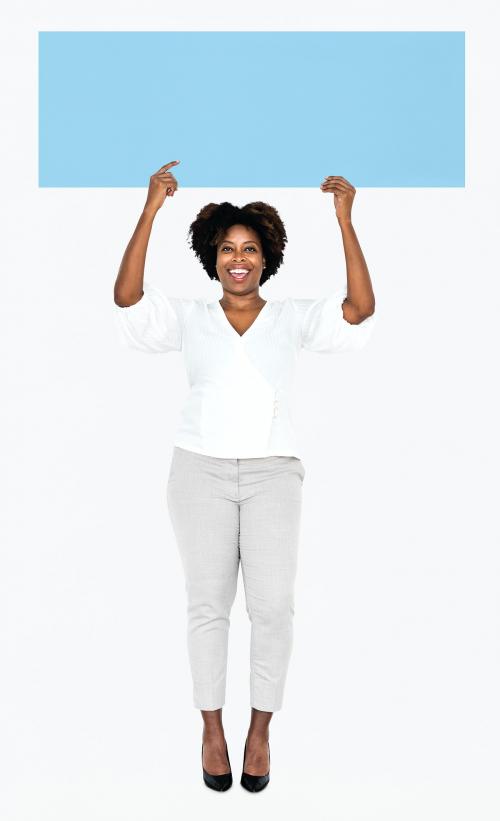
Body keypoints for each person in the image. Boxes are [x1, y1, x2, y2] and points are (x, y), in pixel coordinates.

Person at [113, 161, 377, 792]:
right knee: (207, 607)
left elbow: (360, 310)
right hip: (197, 471)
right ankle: (211, 727)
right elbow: (127, 298)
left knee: (273, 609)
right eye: (228, 249)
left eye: (250, 249)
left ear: (267, 258)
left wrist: (344, 221)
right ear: (212, 258)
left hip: (272, 475)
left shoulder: (290, 317)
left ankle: (259, 730)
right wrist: (151, 210)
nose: (239, 259)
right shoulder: (189, 317)